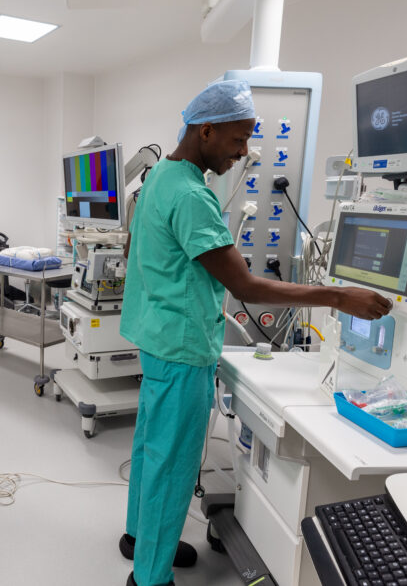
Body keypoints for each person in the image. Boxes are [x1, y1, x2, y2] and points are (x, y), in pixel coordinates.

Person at [117, 80, 392, 586]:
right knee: (172, 464)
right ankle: (149, 577)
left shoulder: (160, 177)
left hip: (156, 336)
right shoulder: (192, 196)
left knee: (150, 447)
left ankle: (139, 537)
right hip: (182, 348)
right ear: (206, 130)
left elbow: (145, 249)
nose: (243, 152)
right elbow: (243, 284)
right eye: (239, 140)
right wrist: (335, 295)